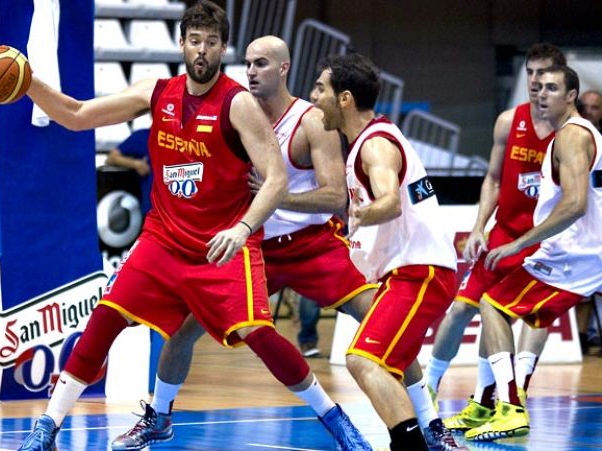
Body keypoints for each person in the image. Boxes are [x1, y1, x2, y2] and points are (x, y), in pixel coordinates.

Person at [16, 4, 369, 451]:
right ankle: (48, 426)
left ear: (223, 48)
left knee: (259, 334)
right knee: (104, 318)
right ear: (181, 43)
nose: (203, 50)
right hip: (163, 240)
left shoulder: (238, 104)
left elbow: (276, 179)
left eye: (212, 42)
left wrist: (243, 228)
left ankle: (335, 419)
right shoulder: (156, 92)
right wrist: (28, 82)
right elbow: (77, 114)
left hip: (220, 245)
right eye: (195, 40)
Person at [113, 36, 464, 451]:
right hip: (257, 247)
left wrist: (279, 196)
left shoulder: (311, 120)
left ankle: (431, 424)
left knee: (379, 322)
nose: (250, 71)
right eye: (247, 63)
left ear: (283, 68)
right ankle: (159, 415)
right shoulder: (233, 111)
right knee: (184, 329)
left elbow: (335, 196)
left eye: (261, 63)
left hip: (313, 245)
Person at [311, 53, 459, 451]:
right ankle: (427, 433)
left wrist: (364, 212)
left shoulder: (375, 145)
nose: (313, 97)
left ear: (344, 99)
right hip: (410, 272)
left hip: (420, 271)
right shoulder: (369, 139)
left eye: (320, 89)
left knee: (364, 360)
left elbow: (390, 201)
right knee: (387, 364)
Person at [422, 43, 566, 432]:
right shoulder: (508, 122)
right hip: (504, 238)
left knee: (531, 317)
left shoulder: (572, 132)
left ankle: (506, 399)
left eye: (543, 74)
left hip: (545, 243)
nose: (535, 82)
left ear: (560, 80)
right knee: (460, 310)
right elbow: (492, 178)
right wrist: (478, 226)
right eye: (530, 73)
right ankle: (427, 391)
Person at [465, 65, 602, 442]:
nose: (542, 94)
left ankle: (509, 408)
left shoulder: (571, 135)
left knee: (493, 305)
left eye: (552, 88)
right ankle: (492, 399)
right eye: (539, 87)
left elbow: (575, 204)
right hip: (587, 252)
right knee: (530, 316)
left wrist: (519, 243)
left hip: (575, 254)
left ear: (572, 96)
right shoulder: (578, 134)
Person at [104, 128, 152, 216]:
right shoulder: (143, 136)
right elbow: (112, 158)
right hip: (152, 209)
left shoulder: (178, 139)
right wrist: (136, 164)